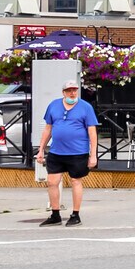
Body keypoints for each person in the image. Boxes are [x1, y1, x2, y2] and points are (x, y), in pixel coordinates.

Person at [37, 79, 98, 228]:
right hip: (57, 151)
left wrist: (93, 154)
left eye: (75, 90)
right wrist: (41, 150)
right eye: (69, 90)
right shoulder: (54, 105)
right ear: (63, 92)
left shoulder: (86, 107)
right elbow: (48, 128)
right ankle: (55, 214)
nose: (72, 93)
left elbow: (92, 131)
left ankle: (75, 214)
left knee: (76, 181)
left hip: (78, 151)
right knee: (52, 182)